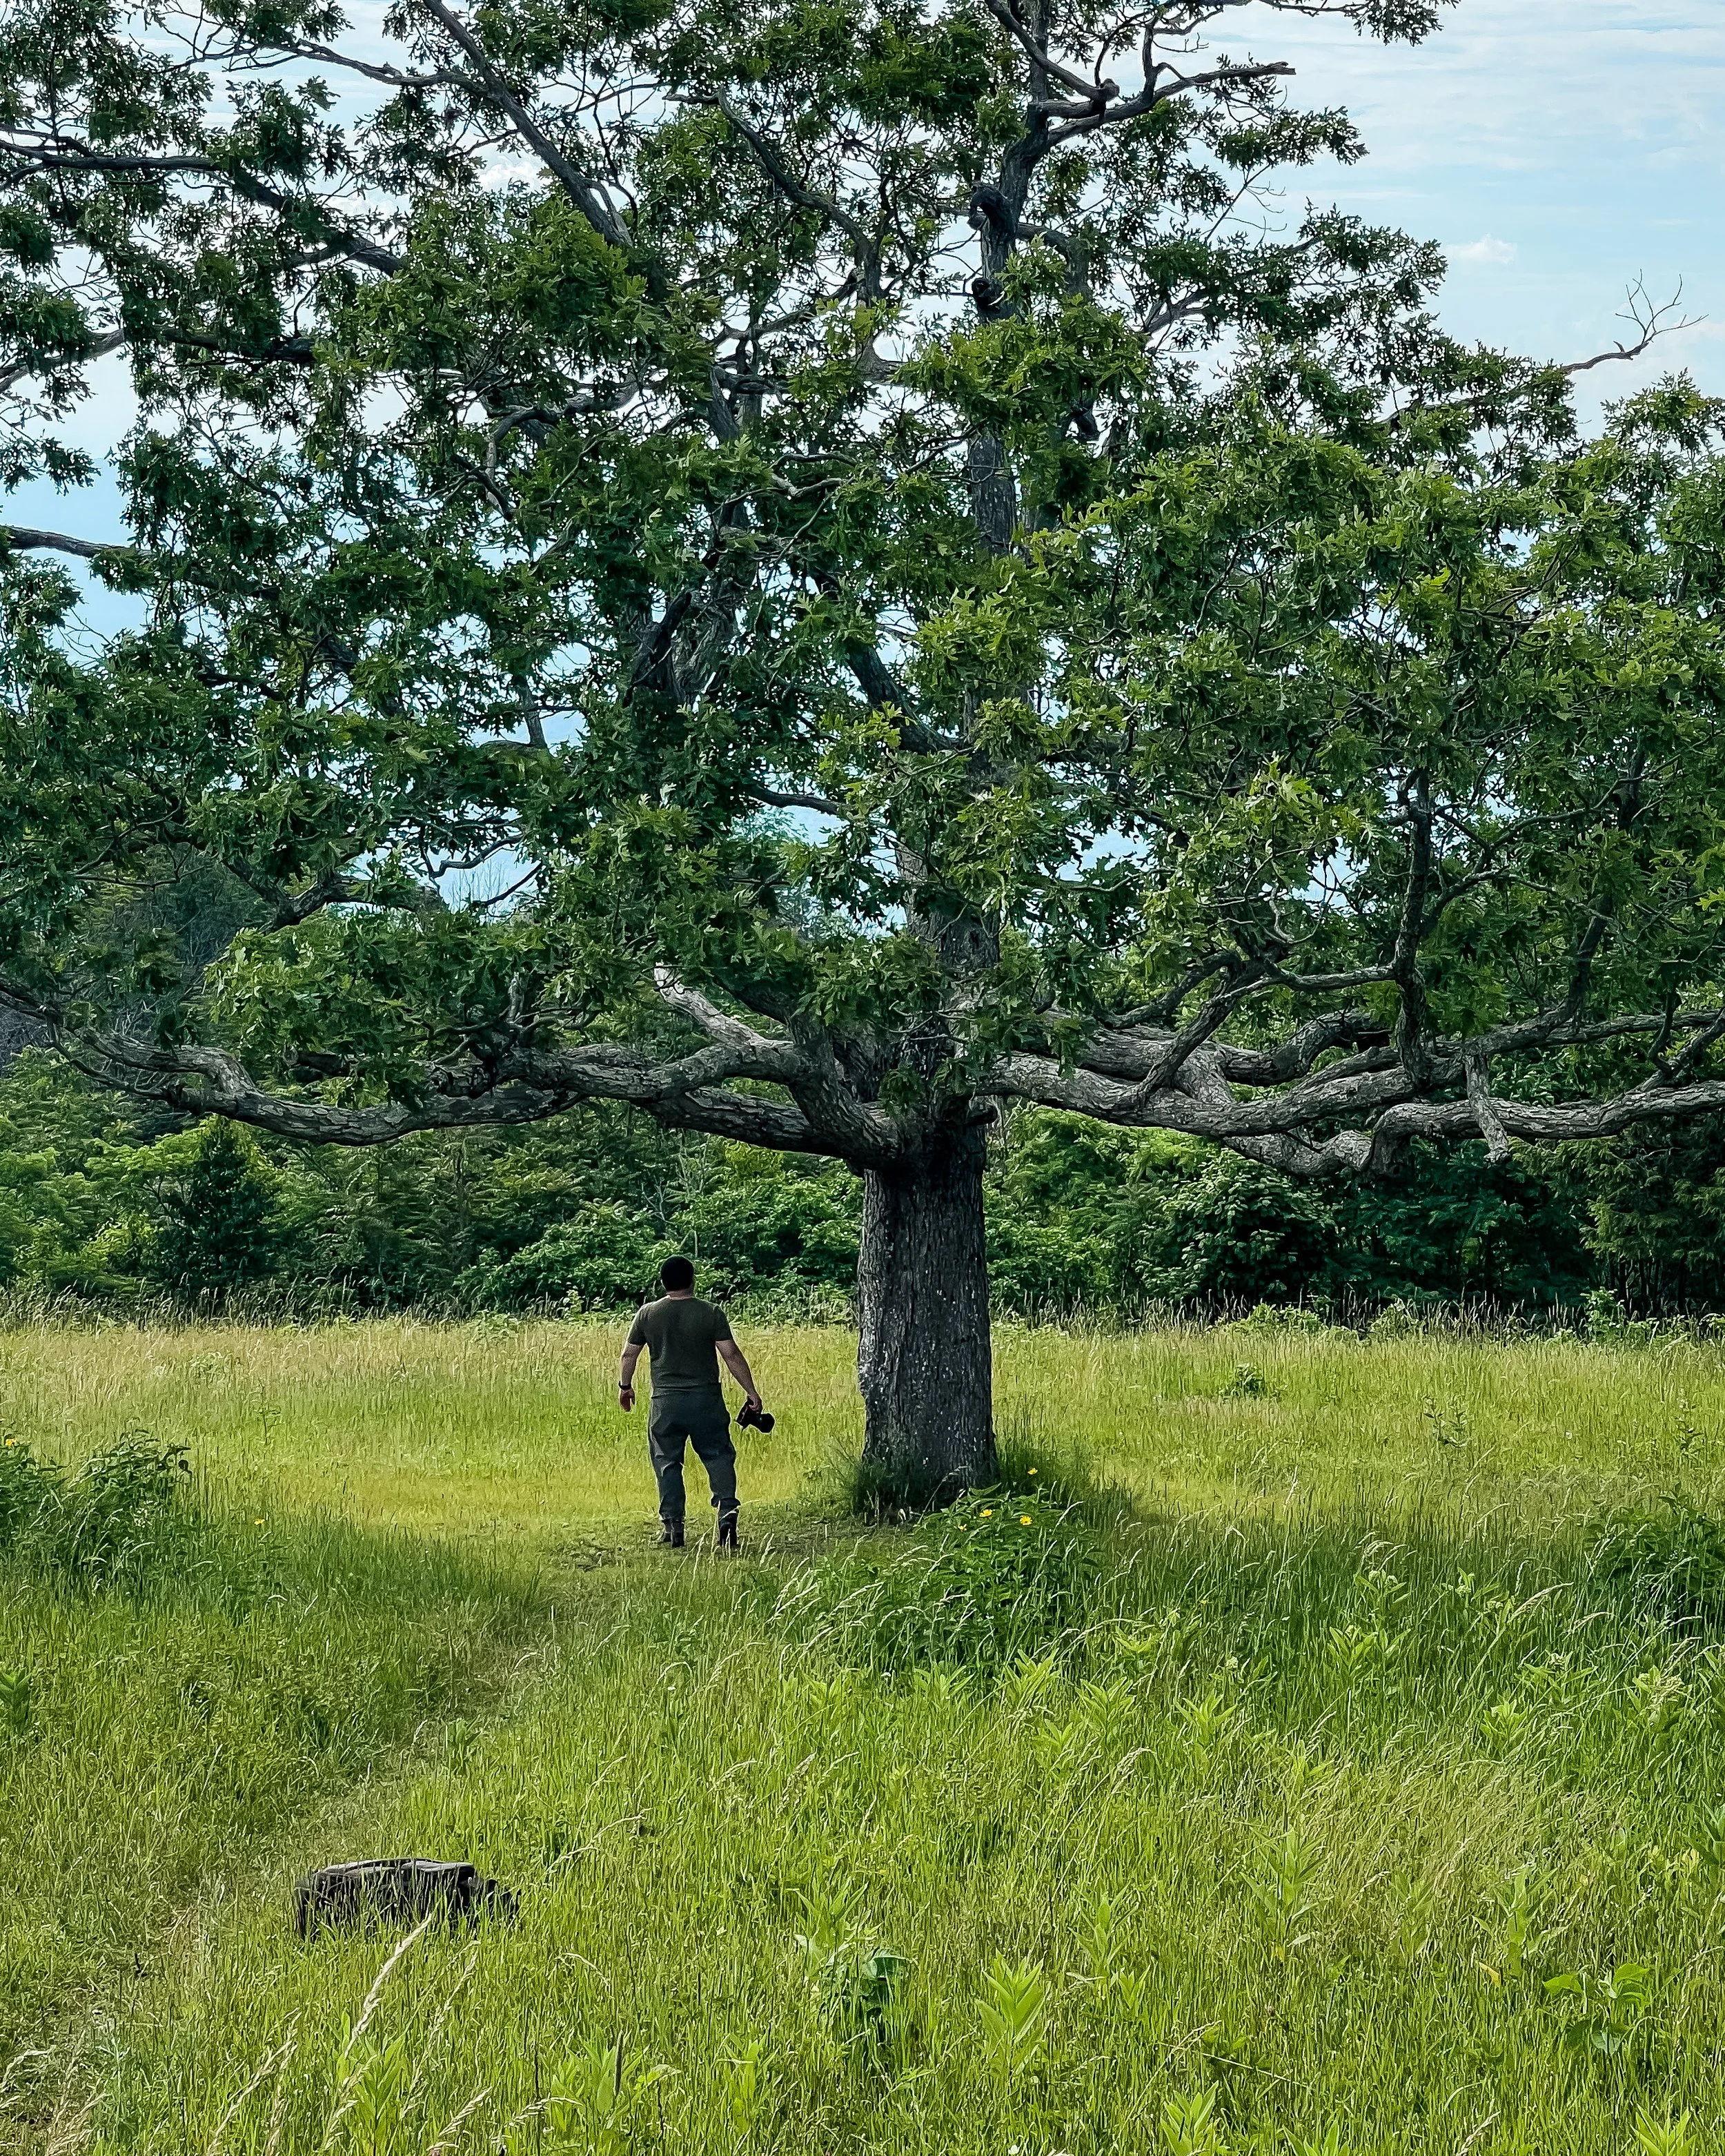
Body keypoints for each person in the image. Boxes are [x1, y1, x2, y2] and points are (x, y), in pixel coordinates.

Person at [618, 1256, 763, 1549]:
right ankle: (727, 1518)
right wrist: (751, 1392)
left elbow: (629, 1354)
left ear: (663, 1282)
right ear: (693, 1279)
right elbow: (731, 1354)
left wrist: (625, 1386)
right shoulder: (711, 1313)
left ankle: (674, 1528)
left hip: (666, 1403)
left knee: (667, 1463)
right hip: (706, 1401)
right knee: (719, 1457)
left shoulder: (647, 1314)